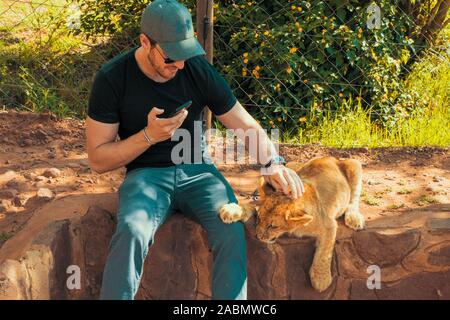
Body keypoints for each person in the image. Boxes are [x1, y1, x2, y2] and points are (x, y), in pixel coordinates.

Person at [86, 0, 304, 300]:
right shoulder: (112, 78)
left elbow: (243, 124)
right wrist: (148, 136)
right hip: (146, 175)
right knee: (132, 230)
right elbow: (98, 158)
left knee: (232, 230)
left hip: (198, 170)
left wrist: (272, 162)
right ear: (145, 42)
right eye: (171, 58)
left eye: (185, 56)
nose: (180, 66)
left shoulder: (196, 69)